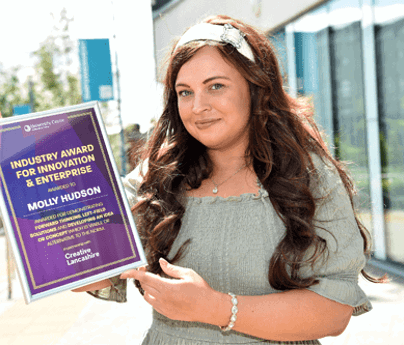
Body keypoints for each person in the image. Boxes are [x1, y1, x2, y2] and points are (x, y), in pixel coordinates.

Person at [74, 15, 384, 344]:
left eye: (216, 86)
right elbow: (87, 271)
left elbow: (334, 312)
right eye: (184, 92)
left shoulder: (308, 174)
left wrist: (216, 308)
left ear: (255, 89)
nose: (198, 106)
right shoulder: (156, 175)